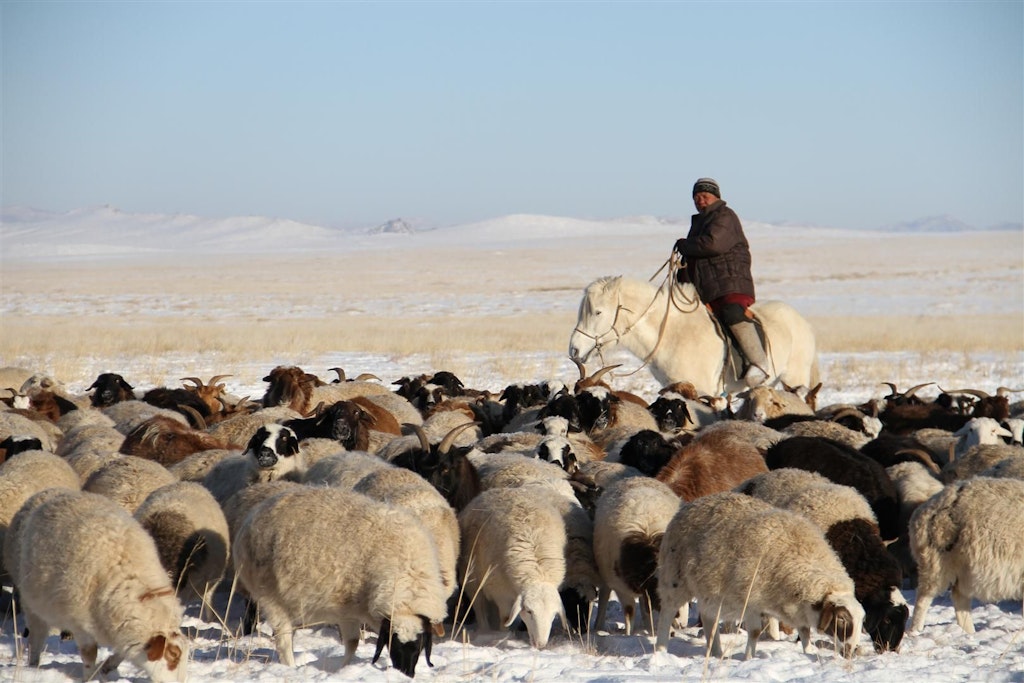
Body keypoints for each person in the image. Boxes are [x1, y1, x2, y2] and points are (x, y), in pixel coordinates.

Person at [673, 177, 769, 388]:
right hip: (709, 286)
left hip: (729, 282)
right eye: (696, 197)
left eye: (705, 196)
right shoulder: (699, 223)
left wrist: (684, 245)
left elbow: (712, 245)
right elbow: (696, 256)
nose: (700, 201)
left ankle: (758, 363)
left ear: (716, 197)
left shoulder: (725, 216)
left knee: (731, 312)